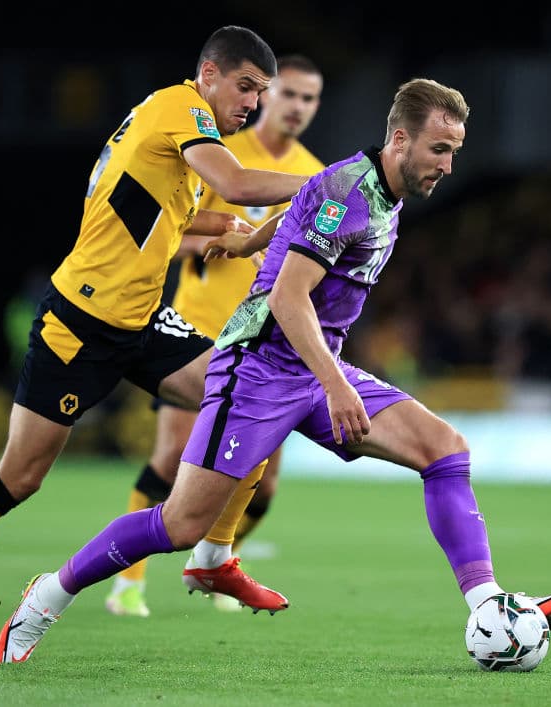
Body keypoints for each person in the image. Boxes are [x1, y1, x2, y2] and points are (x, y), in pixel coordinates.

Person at [0, 77, 551, 664]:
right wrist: (336, 385)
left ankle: (488, 605)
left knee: (445, 450)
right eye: (440, 149)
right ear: (401, 140)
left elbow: (303, 214)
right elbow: (287, 296)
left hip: (310, 369)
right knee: (179, 524)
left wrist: (250, 241)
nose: (449, 165)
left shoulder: (376, 191)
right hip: (256, 370)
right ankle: (47, 595)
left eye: (454, 151)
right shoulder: (347, 192)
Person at [0, 24, 315, 661]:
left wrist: (235, 231)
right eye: (246, 87)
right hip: (80, 322)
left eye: (261, 92)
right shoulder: (181, 108)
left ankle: (213, 556)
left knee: (253, 391)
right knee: (19, 477)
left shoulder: (175, 129)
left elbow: (168, 211)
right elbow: (239, 182)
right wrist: (325, 183)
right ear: (209, 74)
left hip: (141, 320)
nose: (253, 103)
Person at [104, 54, 326, 618]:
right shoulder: (219, 149)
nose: (298, 107)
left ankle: (213, 562)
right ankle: (127, 582)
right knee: (172, 459)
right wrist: (227, 241)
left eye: (309, 98)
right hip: (198, 327)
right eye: (289, 94)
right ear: (266, 96)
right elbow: (170, 225)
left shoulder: (315, 171)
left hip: (264, 338)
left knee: (264, 486)